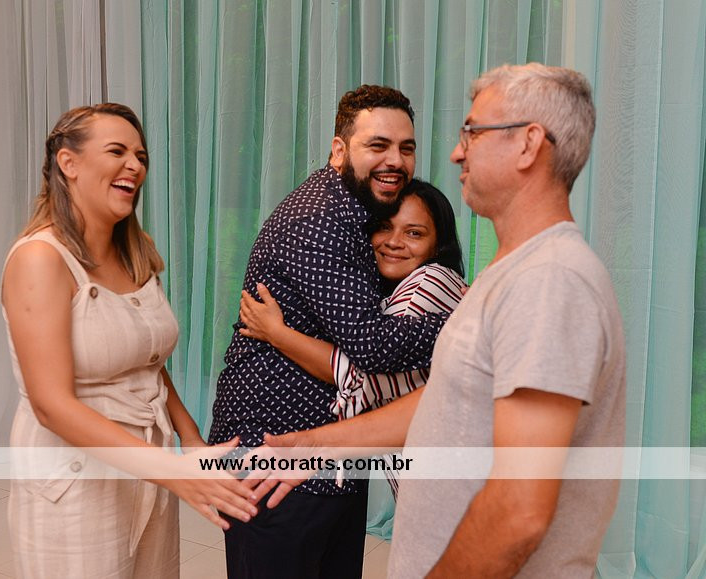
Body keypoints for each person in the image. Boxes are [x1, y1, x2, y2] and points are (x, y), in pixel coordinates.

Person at [260, 63, 627, 578]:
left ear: (528, 145)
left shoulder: (550, 281)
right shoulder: (508, 272)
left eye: (473, 132)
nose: (456, 152)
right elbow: (446, 398)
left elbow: (519, 511)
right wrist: (318, 444)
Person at [1, 103, 258, 578]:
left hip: (147, 466)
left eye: (140, 156)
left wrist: (190, 439)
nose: (135, 166)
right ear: (68, 162)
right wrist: (173, 471)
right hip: (75, 478)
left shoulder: (136, 251)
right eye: (117, 151)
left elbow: (147, 361)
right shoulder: (40, 259)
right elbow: (51, 406)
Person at [208, 86, 449, 578]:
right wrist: (468, 325)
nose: (395, 160)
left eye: (406, 148)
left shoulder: (359, 210)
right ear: (339, 150)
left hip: (328, 455)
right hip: (273, 453)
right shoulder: (318, 219)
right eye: (378, 145)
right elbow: (373, 347)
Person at [237, 179, 467, 497]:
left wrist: (278, 334)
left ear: (438, 245)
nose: (394, 242)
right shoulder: (392, 290)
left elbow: (364, 377)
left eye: (414, 233)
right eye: (384, 227)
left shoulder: (429, 282)